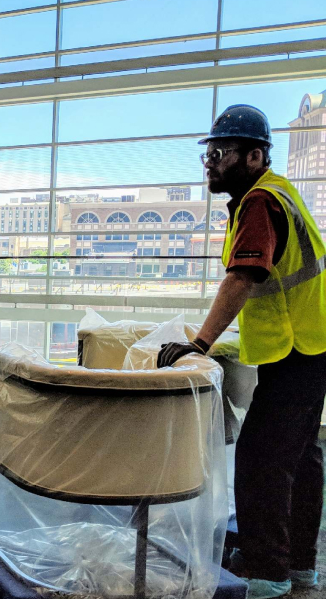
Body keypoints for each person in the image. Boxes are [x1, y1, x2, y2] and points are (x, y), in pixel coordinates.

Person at [158, 105, 326, 599]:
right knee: (300, 457)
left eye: (221, 153)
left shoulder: (260, 202)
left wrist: (200, 343)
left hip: (299, 352)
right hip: (311, 346)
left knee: (262, 460)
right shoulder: (277, 195)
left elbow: (243, 277)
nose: (209, 162)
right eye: (208, 153)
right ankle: (300, 566)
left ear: (255, 156)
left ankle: (267, 573)